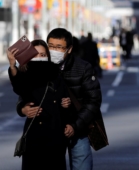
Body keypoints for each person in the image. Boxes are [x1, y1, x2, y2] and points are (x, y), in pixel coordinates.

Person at [16, 28, 103, 170]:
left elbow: (93, 101)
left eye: (59, 47)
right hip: (49, 129)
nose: (53, 50)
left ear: (69, 49)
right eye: (50, 46)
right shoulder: (38, 65)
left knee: (82, 165)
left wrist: (75, 126)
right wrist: (22, 108)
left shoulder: (83, 68)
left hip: (77, 128)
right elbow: (24, 92)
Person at [7, 39, 72, 170]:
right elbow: (19, 89)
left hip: (55, 134)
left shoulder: (56, 74)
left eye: (42, 55)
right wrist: (13, 65)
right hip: (35, 135)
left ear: (48, 56)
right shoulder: (26, 76)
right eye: (35, 55)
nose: (39, 58)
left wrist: (66, 104)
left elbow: (64, 98)